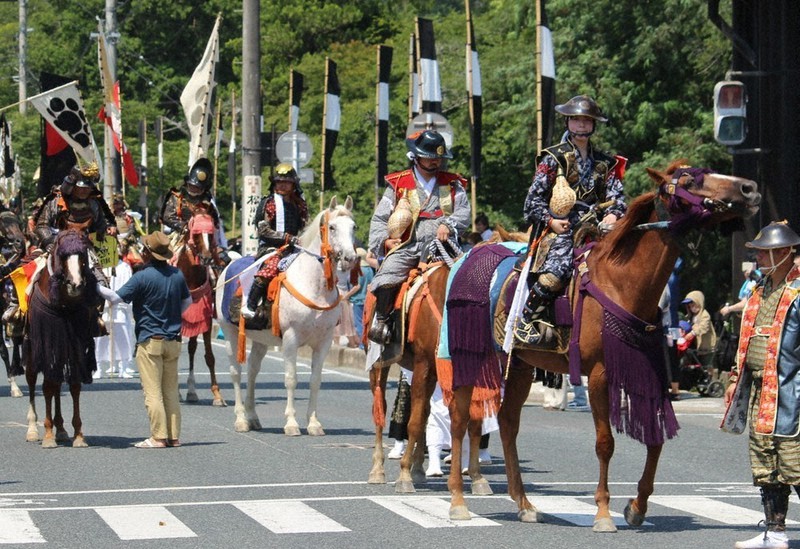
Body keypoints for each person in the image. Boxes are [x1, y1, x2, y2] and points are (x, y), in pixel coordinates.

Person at [517, 95, 627, 343]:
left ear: (593, 125)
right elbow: (532, 202)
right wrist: (551, 221)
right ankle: (525, 320)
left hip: (597, 227)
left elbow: (618, 199)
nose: (581, 125)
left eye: (586, 121)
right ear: (567, 122)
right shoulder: (552, 158)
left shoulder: (606, 162)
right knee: (560, 268)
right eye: (576, 120)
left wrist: (612, 214)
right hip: (560, 228)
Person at [722, 221, 800, 549]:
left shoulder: (797, 294)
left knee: (794, 464)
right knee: (766, 465)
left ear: (784, 254)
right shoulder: (759, 292)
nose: (759, 260)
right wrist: (734, 375)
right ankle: (776, 532)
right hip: (761, 392)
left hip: (792, 394)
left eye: (764, 254)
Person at [366, 129, 470, 344]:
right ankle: (383, 322)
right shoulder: (398, 184)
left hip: (445, 247)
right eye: (431, 158)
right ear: (417, 156)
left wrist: (448, 224)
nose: (436, 163)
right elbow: (379, 219)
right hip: (408, 246)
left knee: (471, 280)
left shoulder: (453, 184)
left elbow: (464, 213)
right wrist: (385, 240)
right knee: (387, 275)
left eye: (439, 158)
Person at [97, 231, 191, 449]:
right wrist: (173, 316)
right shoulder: (177, 274)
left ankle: (158, 437)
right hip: (174, 339)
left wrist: (94, 284)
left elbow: (114, 298)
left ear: (147, 253)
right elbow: (187, 302)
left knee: (153, 392)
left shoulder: (142, 276)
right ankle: (174, 436)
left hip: (150, 339)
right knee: (170, 391)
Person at [240, 162, 309, 320]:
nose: (282, 185)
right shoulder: (269, 203)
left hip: (295, 247)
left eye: (286, 182)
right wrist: (287, 238)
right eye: (279, 182)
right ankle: (250, 305)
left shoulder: (300, 205)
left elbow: (305, 225)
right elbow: (263, 230)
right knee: (271, 266)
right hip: (272, 248)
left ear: (293, 185)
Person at [94, 249, 137, 379]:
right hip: (104, 309)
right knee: (100, 340)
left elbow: (129, 287)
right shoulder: (100, 268)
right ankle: (99, 367)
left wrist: (119, 299)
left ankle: (123, 366)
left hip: (120, 308)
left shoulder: (124, 267)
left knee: (123, 338)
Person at [680, 290, 717, 371]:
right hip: (696, 347)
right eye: (690, 306)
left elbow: (703, 327)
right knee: (698, 363)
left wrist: (693, 333)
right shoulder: (690, 317)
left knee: (708, 364)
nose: (692, 308)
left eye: (693, 305)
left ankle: (711, 377)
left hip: (706, 346)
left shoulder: (704, 315)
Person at [350, 248, 374, 347]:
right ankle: (366, 342)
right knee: (366, 322)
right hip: (367, 299)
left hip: (358, 300)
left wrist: (347, 295)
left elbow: (357, 286)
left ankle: (362, 345)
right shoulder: (370, 270)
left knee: (359, 323)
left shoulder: (359, 270)